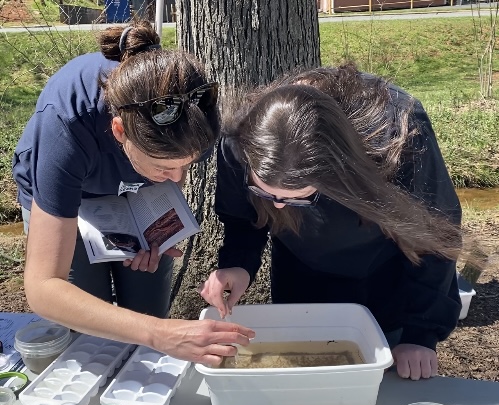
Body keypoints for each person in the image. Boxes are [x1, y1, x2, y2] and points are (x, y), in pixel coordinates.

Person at [12, 21, 254, 366]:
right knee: (86, 314)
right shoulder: (66, 125)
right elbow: (43, 288)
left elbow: (170, 171)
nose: (177, 178)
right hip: (71, 194)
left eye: (188, 164)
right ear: (119, 131)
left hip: (130, 182)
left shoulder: (194, 115)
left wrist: (157, 223)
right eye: (163, 167)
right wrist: (161, 333)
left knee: (145, 299)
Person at [198, 64, 463, 379]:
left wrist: (421, 335)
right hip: (300, 271)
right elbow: (241, 217)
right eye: (265, 193)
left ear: (335, 172)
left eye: (297, 197)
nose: (279, 205)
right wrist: (238, 263)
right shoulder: (240, 140)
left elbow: (435, 235)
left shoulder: (399, 137)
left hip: (386, 273)